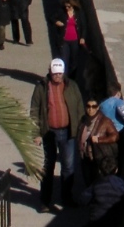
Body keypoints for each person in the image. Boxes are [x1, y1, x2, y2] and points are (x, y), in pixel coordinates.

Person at [30, 58, 84, 209]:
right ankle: (45, 201)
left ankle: (66, 198)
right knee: (49, 166)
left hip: (68, 133)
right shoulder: (41, 88)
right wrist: (36, 133)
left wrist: (79, 127)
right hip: (49, 133)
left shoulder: (72, 86)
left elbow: (79, 106)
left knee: (68, 167)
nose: (58, 77)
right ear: (50, 73)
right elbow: (34, 110)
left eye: (60, 74)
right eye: (55, 74)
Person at [78, 96, 120, 185]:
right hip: (85, 157)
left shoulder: (105, 121)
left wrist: (99, 140)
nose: (90, 109)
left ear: (97, 108)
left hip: (99, 157)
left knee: (99, 183)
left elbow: (115, 136)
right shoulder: (83, 120)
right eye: (88, 106)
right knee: (88, 182)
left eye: (93, 106)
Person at [53, 0, 88, 78]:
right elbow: (52, 18)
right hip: (64, 40)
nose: (66, 8)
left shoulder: (79, 13)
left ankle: (72, 80)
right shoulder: (61, 12)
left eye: (68, 6)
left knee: (74, 62)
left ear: (73, 6)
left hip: (75, 41)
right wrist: (56, 22)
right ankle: (64, 79)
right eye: (65, 6)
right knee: (64, 61)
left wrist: (83, 37)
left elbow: (84, 26)